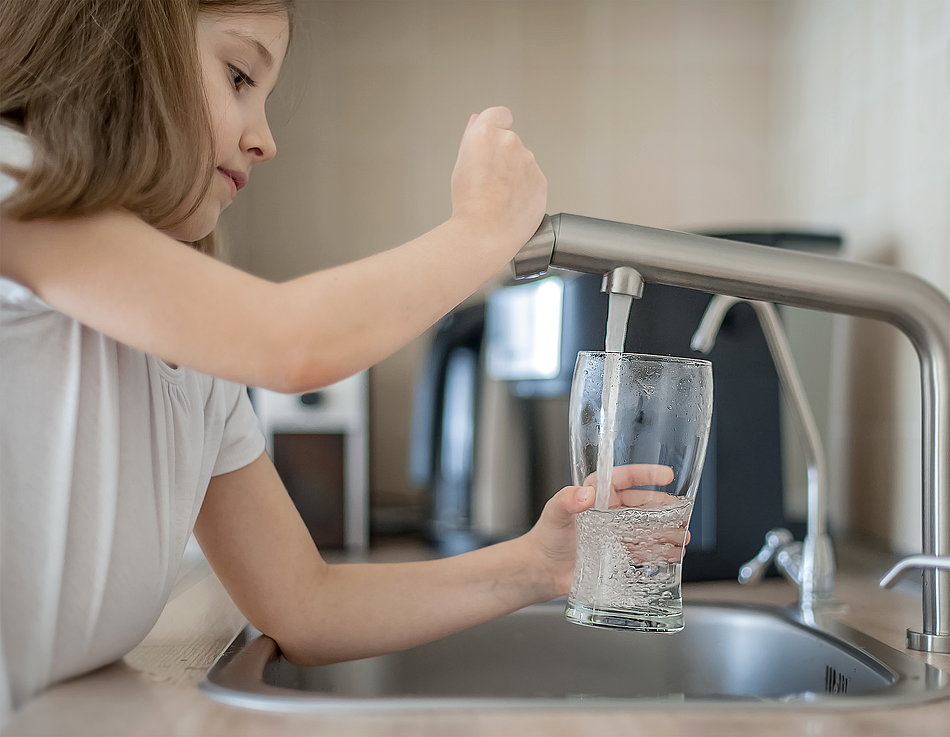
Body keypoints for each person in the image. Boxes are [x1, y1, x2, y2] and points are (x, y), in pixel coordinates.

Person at [0, 0, 607, 719]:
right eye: (236, 77)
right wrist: (479, 233)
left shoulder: (195, 357)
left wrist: (537, 565)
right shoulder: (13, 185)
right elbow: (291, 345)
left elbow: (304, 604)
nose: (265, 139)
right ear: (123, 48)